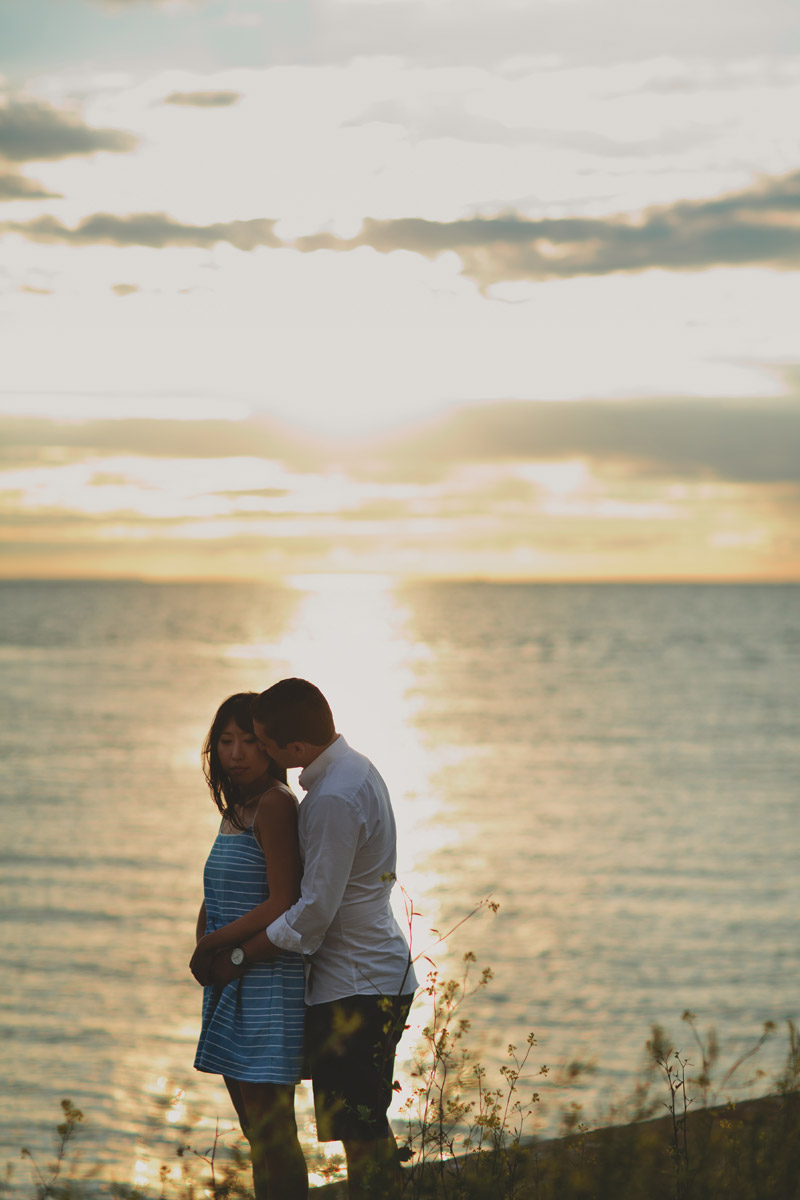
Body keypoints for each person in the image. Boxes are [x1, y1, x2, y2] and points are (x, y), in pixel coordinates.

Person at [191, 679, 417, 1200]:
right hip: (351, 978)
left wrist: (232, 954)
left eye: (260, 742)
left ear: (291, 749)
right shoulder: (342, 777)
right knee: (355, 1129)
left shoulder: (330, 797)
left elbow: (307, 912)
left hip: (356, 982)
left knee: (357, 1133)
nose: (252, 752)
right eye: (230, 740)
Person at [192, 692, 308, 1200]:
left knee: (274, 1134)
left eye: (247, 742)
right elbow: (218, 892)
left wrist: (212, 946)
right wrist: (203, 940)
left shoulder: (276, 805)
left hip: (265, 982)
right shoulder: (235, 808)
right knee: (256, 1133)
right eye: (225, 741)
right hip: (230, 981)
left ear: (268, 747)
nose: (235, 753)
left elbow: (284, 901)